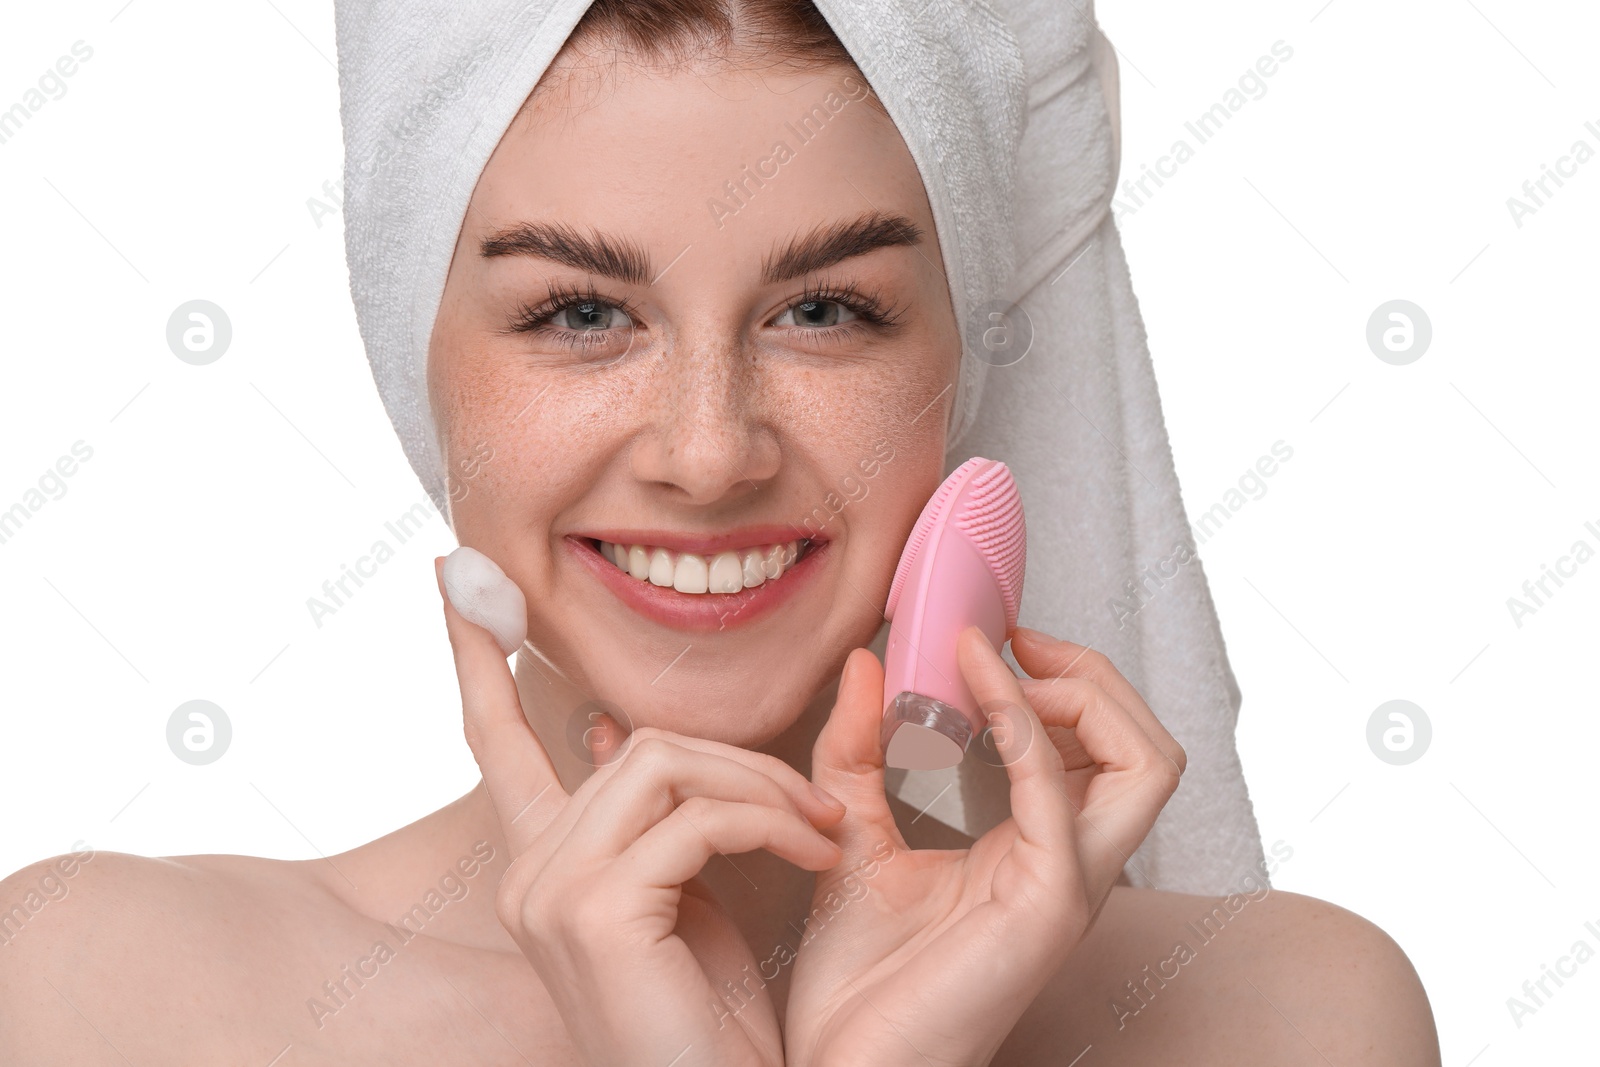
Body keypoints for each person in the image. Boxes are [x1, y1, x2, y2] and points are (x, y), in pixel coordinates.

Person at [0, 1, 1441, 1062]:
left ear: (968, 359)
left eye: (825, 310)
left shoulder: (1289, 1018)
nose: (707, 453)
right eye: (580, 313)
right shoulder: (103, 998)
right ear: (413, 352)